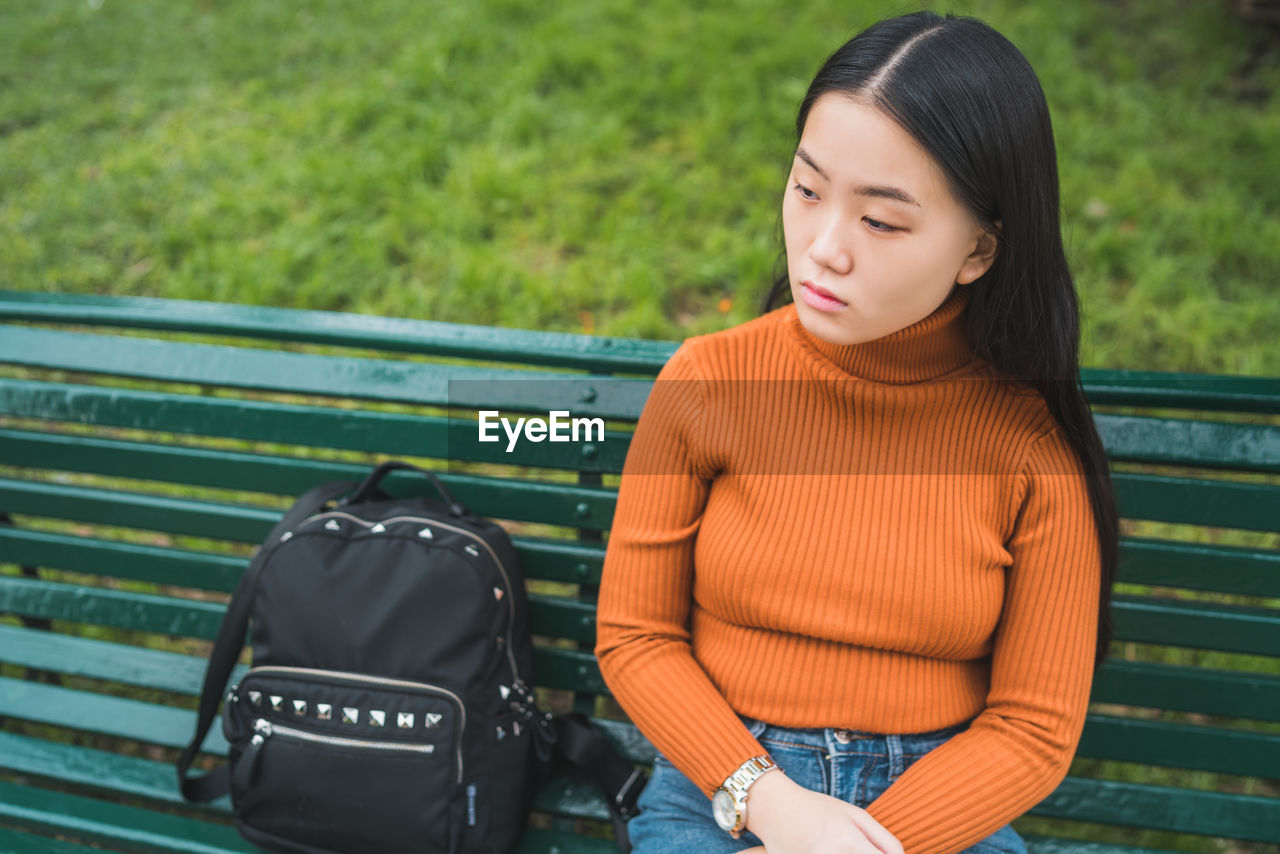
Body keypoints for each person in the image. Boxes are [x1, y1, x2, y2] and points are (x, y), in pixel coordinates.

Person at [594, 9, 1119, 854]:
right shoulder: (709, 383)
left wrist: (866, 844)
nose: (823, 249)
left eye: (881, 220)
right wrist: (769, 803)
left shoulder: (1028, 448)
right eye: (807, 190)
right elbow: (636, 637)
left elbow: (1032, 728)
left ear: (979, 249)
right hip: (722, 791)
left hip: (935, 813)